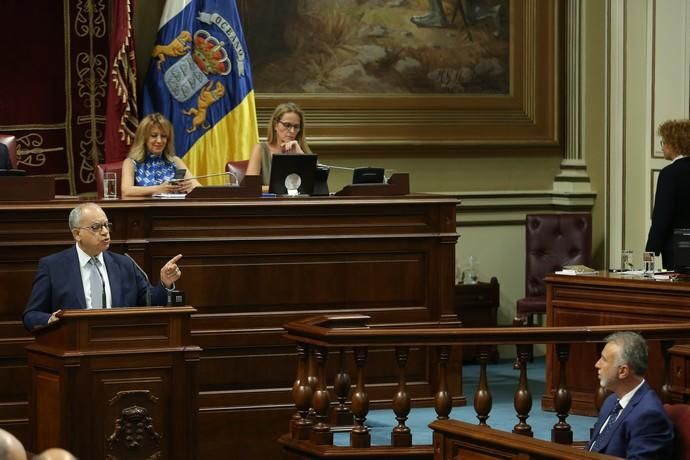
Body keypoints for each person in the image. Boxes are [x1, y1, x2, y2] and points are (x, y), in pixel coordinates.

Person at [22, 202, 184, 331]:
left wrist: (165, 283)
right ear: (77, 234)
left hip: (117, 346)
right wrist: (51, 320)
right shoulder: (53, 266)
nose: (105, 232)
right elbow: (31, 315)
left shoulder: (124, 263)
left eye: (107, 225)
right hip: (73, 349)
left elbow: (149, 302)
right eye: (96, 227)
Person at [587, 331, 673, 458]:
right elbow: (593, 448)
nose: (597, 364)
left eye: (604, 359)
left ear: (622, 371)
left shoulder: (649, 416)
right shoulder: (611, 401)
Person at [121, 113, 200, 197]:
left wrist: (190, 187)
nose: (159, 140)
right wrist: (158, 189)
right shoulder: (131, 162)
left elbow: (198, 188)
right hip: (145, 209)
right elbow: (126, 190)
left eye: (163, 136)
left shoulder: (175, 161)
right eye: (154, 135)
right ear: (143, 138)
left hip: (174, 208)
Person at [645, 119, 690, 270]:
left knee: (677, 291)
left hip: (677, 248)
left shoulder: (669, 174)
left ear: (674, 144)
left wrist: (650, 251)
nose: (662, 147)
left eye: (664, 142)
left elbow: (662, 216)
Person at [246, 102, 311, 192]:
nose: (292, 131)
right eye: (287, 125)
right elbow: (250, 188)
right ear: (275, 125)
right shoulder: (261, 149)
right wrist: (287, 188)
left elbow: (317, 184)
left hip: (299, 203)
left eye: (296, 127)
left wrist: (301, 156)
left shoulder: (301, 150)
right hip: (270, 204)